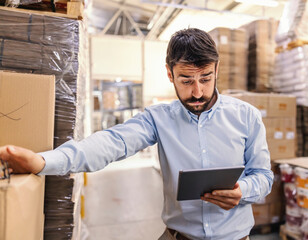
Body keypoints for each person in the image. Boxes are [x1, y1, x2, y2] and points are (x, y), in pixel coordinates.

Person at [0, 28, 273, 240]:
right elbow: (111, 142)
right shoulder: (158, 119)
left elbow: (263, 176)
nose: (198, 92)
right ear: (169, 74)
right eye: (186, 80)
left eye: (206, 78)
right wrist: (44, 162)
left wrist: (243, 190)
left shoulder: (246, 116)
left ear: (217, 69)